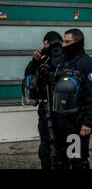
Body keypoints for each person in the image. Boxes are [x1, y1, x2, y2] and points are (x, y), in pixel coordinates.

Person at [51, 28, 92, 169]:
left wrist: (88, 122)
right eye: (63, 41)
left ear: (77, 42)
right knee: (59, 160)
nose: (63, 45)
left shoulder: (89, 63)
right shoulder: (62, 63)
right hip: (60, 121)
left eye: (67, 42)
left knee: (76, 160)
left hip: (77, 123)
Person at [23, 31, 64, 169]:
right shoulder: (43, 59)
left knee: (60, 145)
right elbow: (28, 74)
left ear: (47, 43)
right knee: (46, 146)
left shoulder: (64, 58)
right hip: (47, 109)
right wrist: (35, 59)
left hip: (62, 110)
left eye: (45, 43)